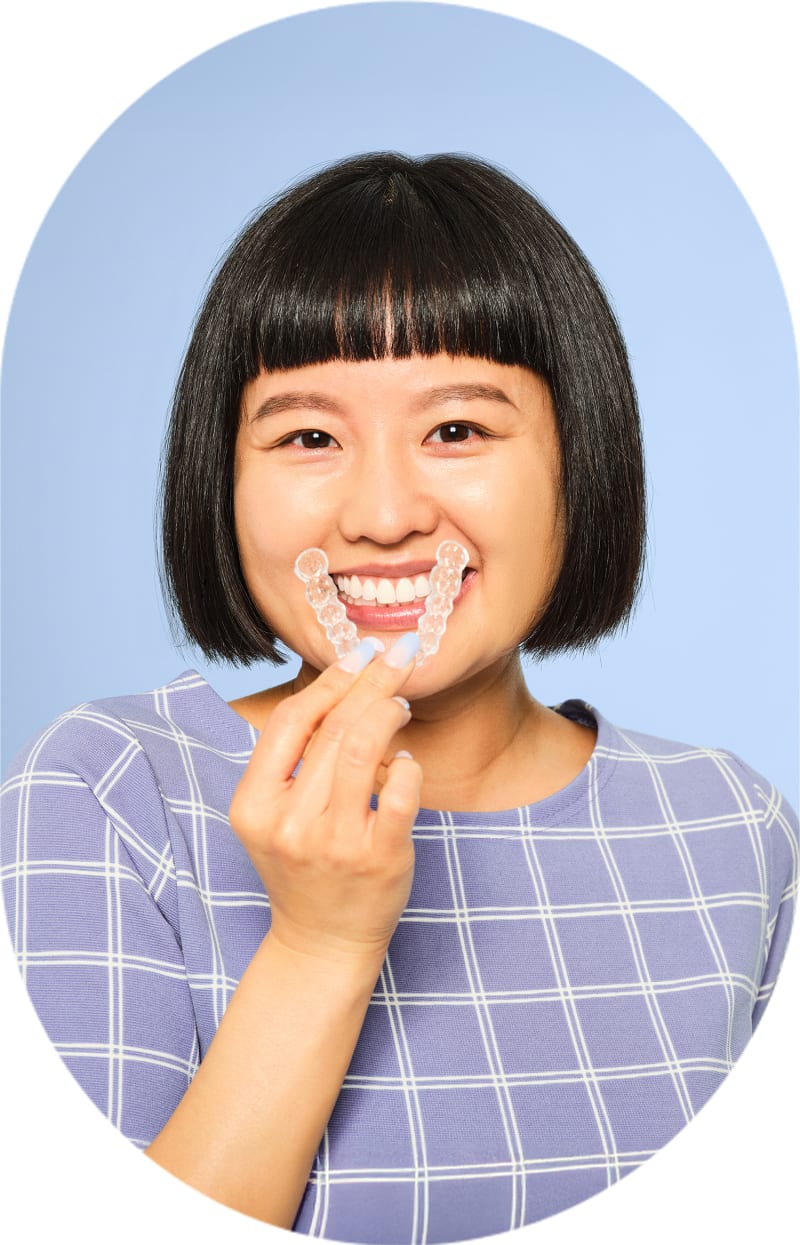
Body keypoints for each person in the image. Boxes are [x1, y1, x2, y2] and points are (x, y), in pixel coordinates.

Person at [1, 152, 797, 1244]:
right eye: (308, 437)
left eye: (457, 430)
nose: (381, 515)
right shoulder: (105, 794)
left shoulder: (730, 826)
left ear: (582, 459)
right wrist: (319, 946)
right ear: (219, 475)